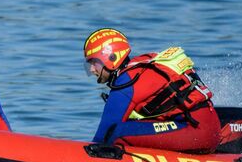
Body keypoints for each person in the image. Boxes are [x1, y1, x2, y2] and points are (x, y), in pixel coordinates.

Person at [83, 28, 220, 153]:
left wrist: (84, 157)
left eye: (94, 62)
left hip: (196, 132)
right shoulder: (140, 66)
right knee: (128, 128)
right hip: (204, 128)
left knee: (115, 132)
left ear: (111, 58)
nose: (92, 69)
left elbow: (103, 135)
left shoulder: (126, 82)